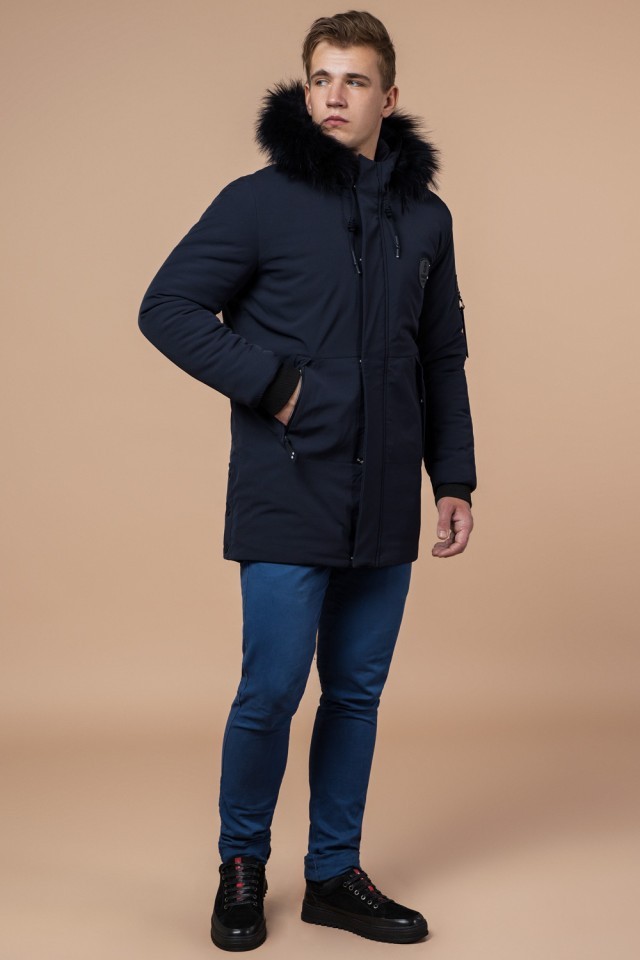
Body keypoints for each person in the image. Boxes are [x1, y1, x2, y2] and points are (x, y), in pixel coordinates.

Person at [138, 9, 476, 951]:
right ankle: (242, 867)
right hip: (288, 488)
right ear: (303, 87)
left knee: (357, 692)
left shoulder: (427, 218)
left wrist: (453, 477)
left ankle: (332, 874)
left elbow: (442, 356)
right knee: (273, 689)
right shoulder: (260, 201)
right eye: (320, 78)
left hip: (387, 498)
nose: (333, 95)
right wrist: (276, 385)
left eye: (354, 80)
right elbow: (167, 307)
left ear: (388, 97)